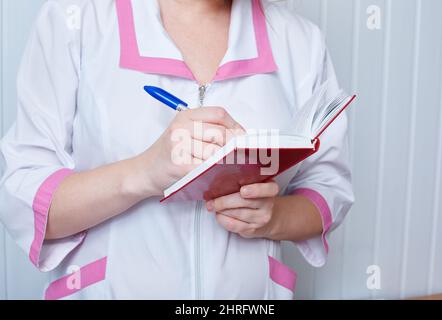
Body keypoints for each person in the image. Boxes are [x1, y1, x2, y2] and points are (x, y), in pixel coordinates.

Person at [0, 0, 354, 299]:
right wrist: (143, 173)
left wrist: (271, 217)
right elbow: (24, 197)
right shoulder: (76, 19)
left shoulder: (300, 42)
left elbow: (329, 191)